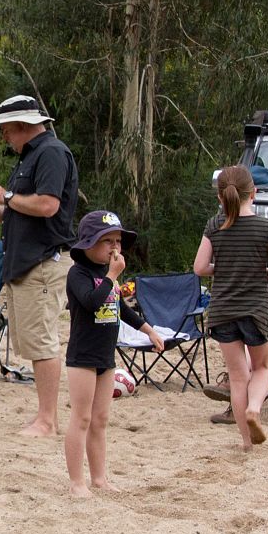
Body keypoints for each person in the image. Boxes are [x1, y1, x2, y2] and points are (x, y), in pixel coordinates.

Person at [0, 94, 78, 437]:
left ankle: (47, 420)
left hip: (44, 260)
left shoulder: (52, 153)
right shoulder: (30, 157)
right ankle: (44, 416)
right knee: (34, 341)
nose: (3, 137)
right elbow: (16, 215)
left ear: (23, 124)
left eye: (5, 130)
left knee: (42, 341)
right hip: (26, 262)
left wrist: (5, 196)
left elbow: (47, 206)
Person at [63, 211, 164, 497]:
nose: (114, 248)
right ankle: (76, 483)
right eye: (107, 241)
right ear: (88, 243)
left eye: (117, 241)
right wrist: (111, 276)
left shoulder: (108, 277)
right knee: (81, 419)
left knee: (100, 420)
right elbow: (93, 303)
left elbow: (122, 309)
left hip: (106, 357)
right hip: (82, 357)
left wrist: (149, 330)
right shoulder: (78, 274)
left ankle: (99, 478)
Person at [194, 165, 268, 449]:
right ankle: (254, 410)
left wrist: (223, 268)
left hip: (223, 310)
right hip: (255, 310)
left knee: (237, 379)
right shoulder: (267, 227)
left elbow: (200, 267)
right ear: (255, 193)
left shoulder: (214, 225)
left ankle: (246, 443)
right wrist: (260, 269)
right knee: (261, 368)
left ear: (219, 198)